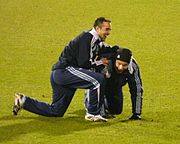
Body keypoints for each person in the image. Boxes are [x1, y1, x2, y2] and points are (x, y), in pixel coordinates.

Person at [12, 17, 113, 122]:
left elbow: (101, 51)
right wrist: (101, 62)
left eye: (109, 29)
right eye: (106, 29)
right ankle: (92, 114)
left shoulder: (94, 40)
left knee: (56, 111)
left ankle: (23, 101)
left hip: (59, 74)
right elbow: (84, 63)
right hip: (65, 71)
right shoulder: (89, 37)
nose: (108, 32)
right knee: (98, 80)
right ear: (97, 28)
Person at [85, 46, 143, 120]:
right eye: (119, 64)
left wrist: (136, 114)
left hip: (116, 85)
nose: (120, 67)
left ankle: (105, 104)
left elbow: (137, 89)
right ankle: (91, 103)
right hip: (97, 86)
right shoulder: (104, 64)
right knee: (97, 94)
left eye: (124, 65)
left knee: (116, 110)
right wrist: (101, 113)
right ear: (115, 60)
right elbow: (97, 85)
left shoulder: (133, 67)